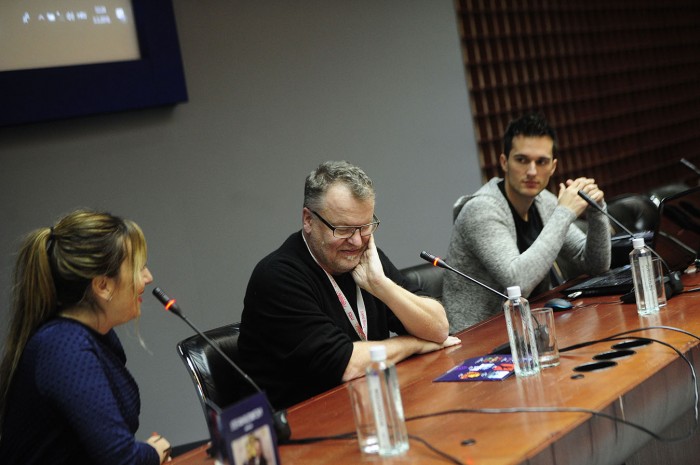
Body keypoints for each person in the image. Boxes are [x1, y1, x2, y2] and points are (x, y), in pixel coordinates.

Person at [238, 161, 460, 409]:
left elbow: (439, 328)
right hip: (300, 425)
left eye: (365, 226)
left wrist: (380, 285)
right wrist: (415, 343)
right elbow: (346, 364)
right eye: (343, 229)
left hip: (362, 406)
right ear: (308, 220)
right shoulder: (278, 277)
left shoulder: (365, 259)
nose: (356, 241)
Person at [0, 210, 172, 465]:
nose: (148, 278)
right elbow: (123, 461)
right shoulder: (64, 348)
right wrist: (154, 452)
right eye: (139, 267)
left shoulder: (94, 336)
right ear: (102, 285)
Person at [443, 112, 611, 332]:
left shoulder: (545, 202)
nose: (532, 171)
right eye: (522, 160)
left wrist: (597, 211)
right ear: (504, 162)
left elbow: (595, 265)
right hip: (477, 337)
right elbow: (517, 283)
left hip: (527, 327)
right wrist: (565, 212)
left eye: (541, 162)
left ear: (553, 167)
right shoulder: (481, 210)